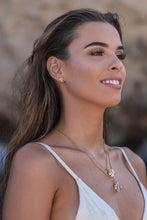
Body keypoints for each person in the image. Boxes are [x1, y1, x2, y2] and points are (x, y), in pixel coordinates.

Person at [1, 8, 147, 220]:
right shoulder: (37, 163)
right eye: (97, 52)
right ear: (57, 69)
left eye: (119, 54)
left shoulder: (132, 164)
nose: (117, 65)